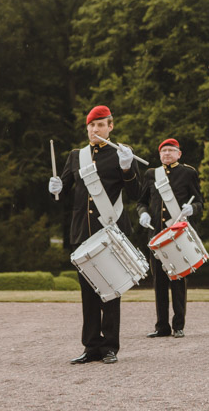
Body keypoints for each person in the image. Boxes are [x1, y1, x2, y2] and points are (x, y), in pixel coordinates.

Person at [48, 105, 141, 364]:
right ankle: (91, 346)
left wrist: (127, 168)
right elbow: (62, 192)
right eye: (91, 125)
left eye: (100, 125)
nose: (95, 129)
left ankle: (110, 347)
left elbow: (135, 194)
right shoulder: (76, 156)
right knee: (88, 294)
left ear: (110, 127)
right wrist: (54, 187)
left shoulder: (122, 154)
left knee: (110, 290)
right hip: (83, 232)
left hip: (110, 231)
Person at [136, 138, 204, 339]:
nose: (166, 154)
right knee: (159, 282)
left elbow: (200, 202)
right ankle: (161, 327)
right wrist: (143, 213)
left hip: (178, 236)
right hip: (157, 235)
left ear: (179, 154)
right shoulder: (151, 174)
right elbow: (141, 202)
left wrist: (192, 209)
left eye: (171, 150)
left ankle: (179, 325)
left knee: (178, 280)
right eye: (163, 151)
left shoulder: (188, 173)